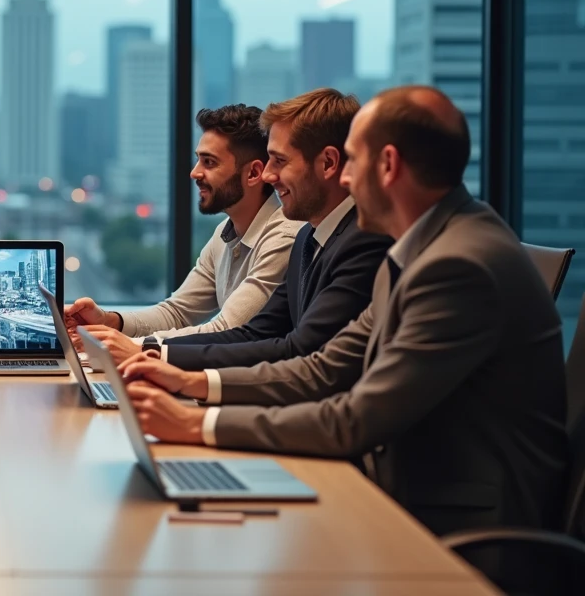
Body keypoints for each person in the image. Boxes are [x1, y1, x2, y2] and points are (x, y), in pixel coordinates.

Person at [119, 86, 568, 547]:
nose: (346, 181)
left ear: (388, 166)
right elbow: (326, 366)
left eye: (352, 161)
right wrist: (193, 384)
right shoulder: (422, 248)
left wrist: (197, 425)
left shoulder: (456, 267)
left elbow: (356, 419)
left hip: (460, 524)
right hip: (412, 486)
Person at [146, 89, 391, 371]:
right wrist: (153, 352)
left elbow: (301, 351)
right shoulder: (307, 239)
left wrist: (151, 354)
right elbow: (256, 333)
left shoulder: (364, 241)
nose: (267, 175)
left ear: (328, 163)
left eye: (280, 160)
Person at [65, 105, 303, 363]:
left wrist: (133, 347)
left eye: (209, 162)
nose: (194, 172)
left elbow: (227, 331)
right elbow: (176, 313)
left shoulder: (285, 238)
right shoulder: (223, 234)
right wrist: (110, 321)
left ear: (254, 173)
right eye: (198, 159)